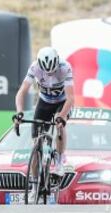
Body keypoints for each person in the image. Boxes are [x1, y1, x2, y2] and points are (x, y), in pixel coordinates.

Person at [13, 47, 74, 181]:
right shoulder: (34, 67)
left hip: (62, 102)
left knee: (59, 125)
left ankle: (59, 160)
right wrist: (19, 112)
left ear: (57, 62)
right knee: (35, 142)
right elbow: (21, 92)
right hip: (44, 102)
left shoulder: (65, 67)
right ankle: (34, 184)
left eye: (52, 71)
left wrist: (62, 115)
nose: (50, 74)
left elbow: (71, 98)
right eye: (47, 72)